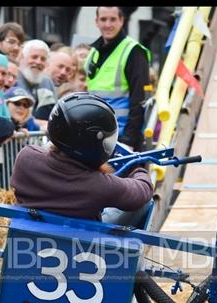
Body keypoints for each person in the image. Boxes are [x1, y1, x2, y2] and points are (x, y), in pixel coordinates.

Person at [11, 92, 152, 225]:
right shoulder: (99, 186)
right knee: (145, 203)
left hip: (27, 238)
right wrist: (136, 168)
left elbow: (48, 155)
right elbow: (143, 190)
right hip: (80, 243)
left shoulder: (26, 158)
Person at [85, 6, 151, 152]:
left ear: (121, 21)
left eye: (113, 19)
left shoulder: (134, 51)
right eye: (103, 19)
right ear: (96, 22)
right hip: (96, 136)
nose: (108, 24)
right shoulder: (93, 53)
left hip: (122, 139)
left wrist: (129, 140)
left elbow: (139, 100)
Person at [16, 39, 57, 128]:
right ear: (22, 57)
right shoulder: (13, 78)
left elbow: (55, 113)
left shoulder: (47, 83)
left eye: (43, 59)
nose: (38, 62)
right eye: (34, 57)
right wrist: (39, 123)